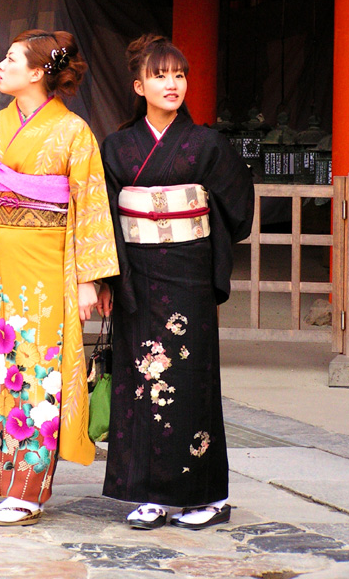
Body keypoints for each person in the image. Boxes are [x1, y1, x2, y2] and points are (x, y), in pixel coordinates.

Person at [0, 30, 118, 526]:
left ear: (38, 71)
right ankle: (6, 482)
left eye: (12, 58)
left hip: (48, 265)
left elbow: (90, 205)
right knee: (4, 375)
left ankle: (28, 490)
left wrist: (89, 278)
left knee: (39, 375)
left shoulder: (73, 132)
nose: (1, 64)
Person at [98, 33, 254, 531]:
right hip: (137, 278)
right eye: (161, 75)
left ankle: (204, 495)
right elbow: (103, 216)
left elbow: (239, 210)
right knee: (139, 381)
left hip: (188, 275)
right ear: (138, 85)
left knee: (190, 383)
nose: (172, 84)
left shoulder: (206, 144)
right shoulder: (118, 146)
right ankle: (148, 493)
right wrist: (106, 278)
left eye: (179, 74)